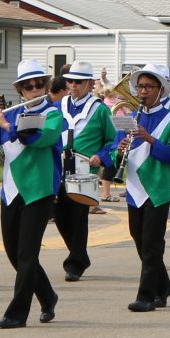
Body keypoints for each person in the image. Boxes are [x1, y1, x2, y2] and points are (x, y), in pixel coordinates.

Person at [0, 59, 64, 329]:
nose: (34, 90)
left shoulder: (54, 113)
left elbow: (38, 138)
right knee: (15, 253)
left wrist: (5, 126)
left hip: (38, 190)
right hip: (12, 190)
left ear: (45, 86)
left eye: (38, 85)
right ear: (20, 90)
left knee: (26, 254)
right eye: (28, 86)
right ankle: (48, 295)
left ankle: (17, 313)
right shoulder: (11, 114)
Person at [112, 62, 170, 311]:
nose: (142, 91)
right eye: (140, 86)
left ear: (160, 89)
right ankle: (163, 286)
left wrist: (150, 138)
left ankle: (145, 296)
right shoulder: (133, 115)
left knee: (152, 244)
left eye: (148, 87)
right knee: (139, 241)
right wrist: (119, 150)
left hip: (156, 188)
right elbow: (115, 149)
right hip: (134, 187)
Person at [53, 64, 117, 282]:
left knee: (78, 217)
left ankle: (75, 263)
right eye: (70, 81)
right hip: (60, 165)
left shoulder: (100, 109)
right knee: (60, 215)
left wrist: (101, 156)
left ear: (90, 84)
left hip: (84, 167)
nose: (73, 85)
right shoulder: (59, 104)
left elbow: (113, 140)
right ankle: (80, 255)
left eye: (78, 82)